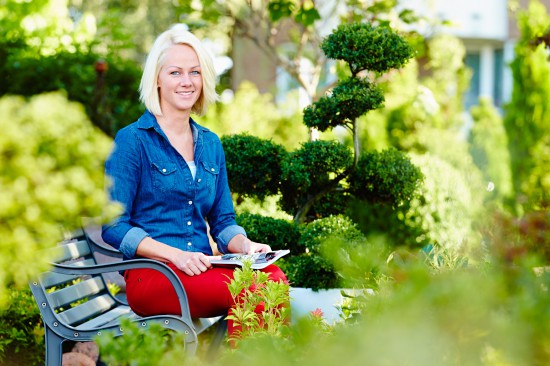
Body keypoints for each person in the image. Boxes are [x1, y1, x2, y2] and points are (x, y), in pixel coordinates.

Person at [101, 23, 288, 340]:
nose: (186, 82)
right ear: (157, 79)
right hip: (155, 276)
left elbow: (223, 220)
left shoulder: (211, 144)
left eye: (195, 72)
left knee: (272, 275)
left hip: (202, 269)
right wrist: (174, 255)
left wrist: (246, 247)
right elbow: (113, 226)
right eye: (175, 73)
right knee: (257, 289)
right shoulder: (132, 141)